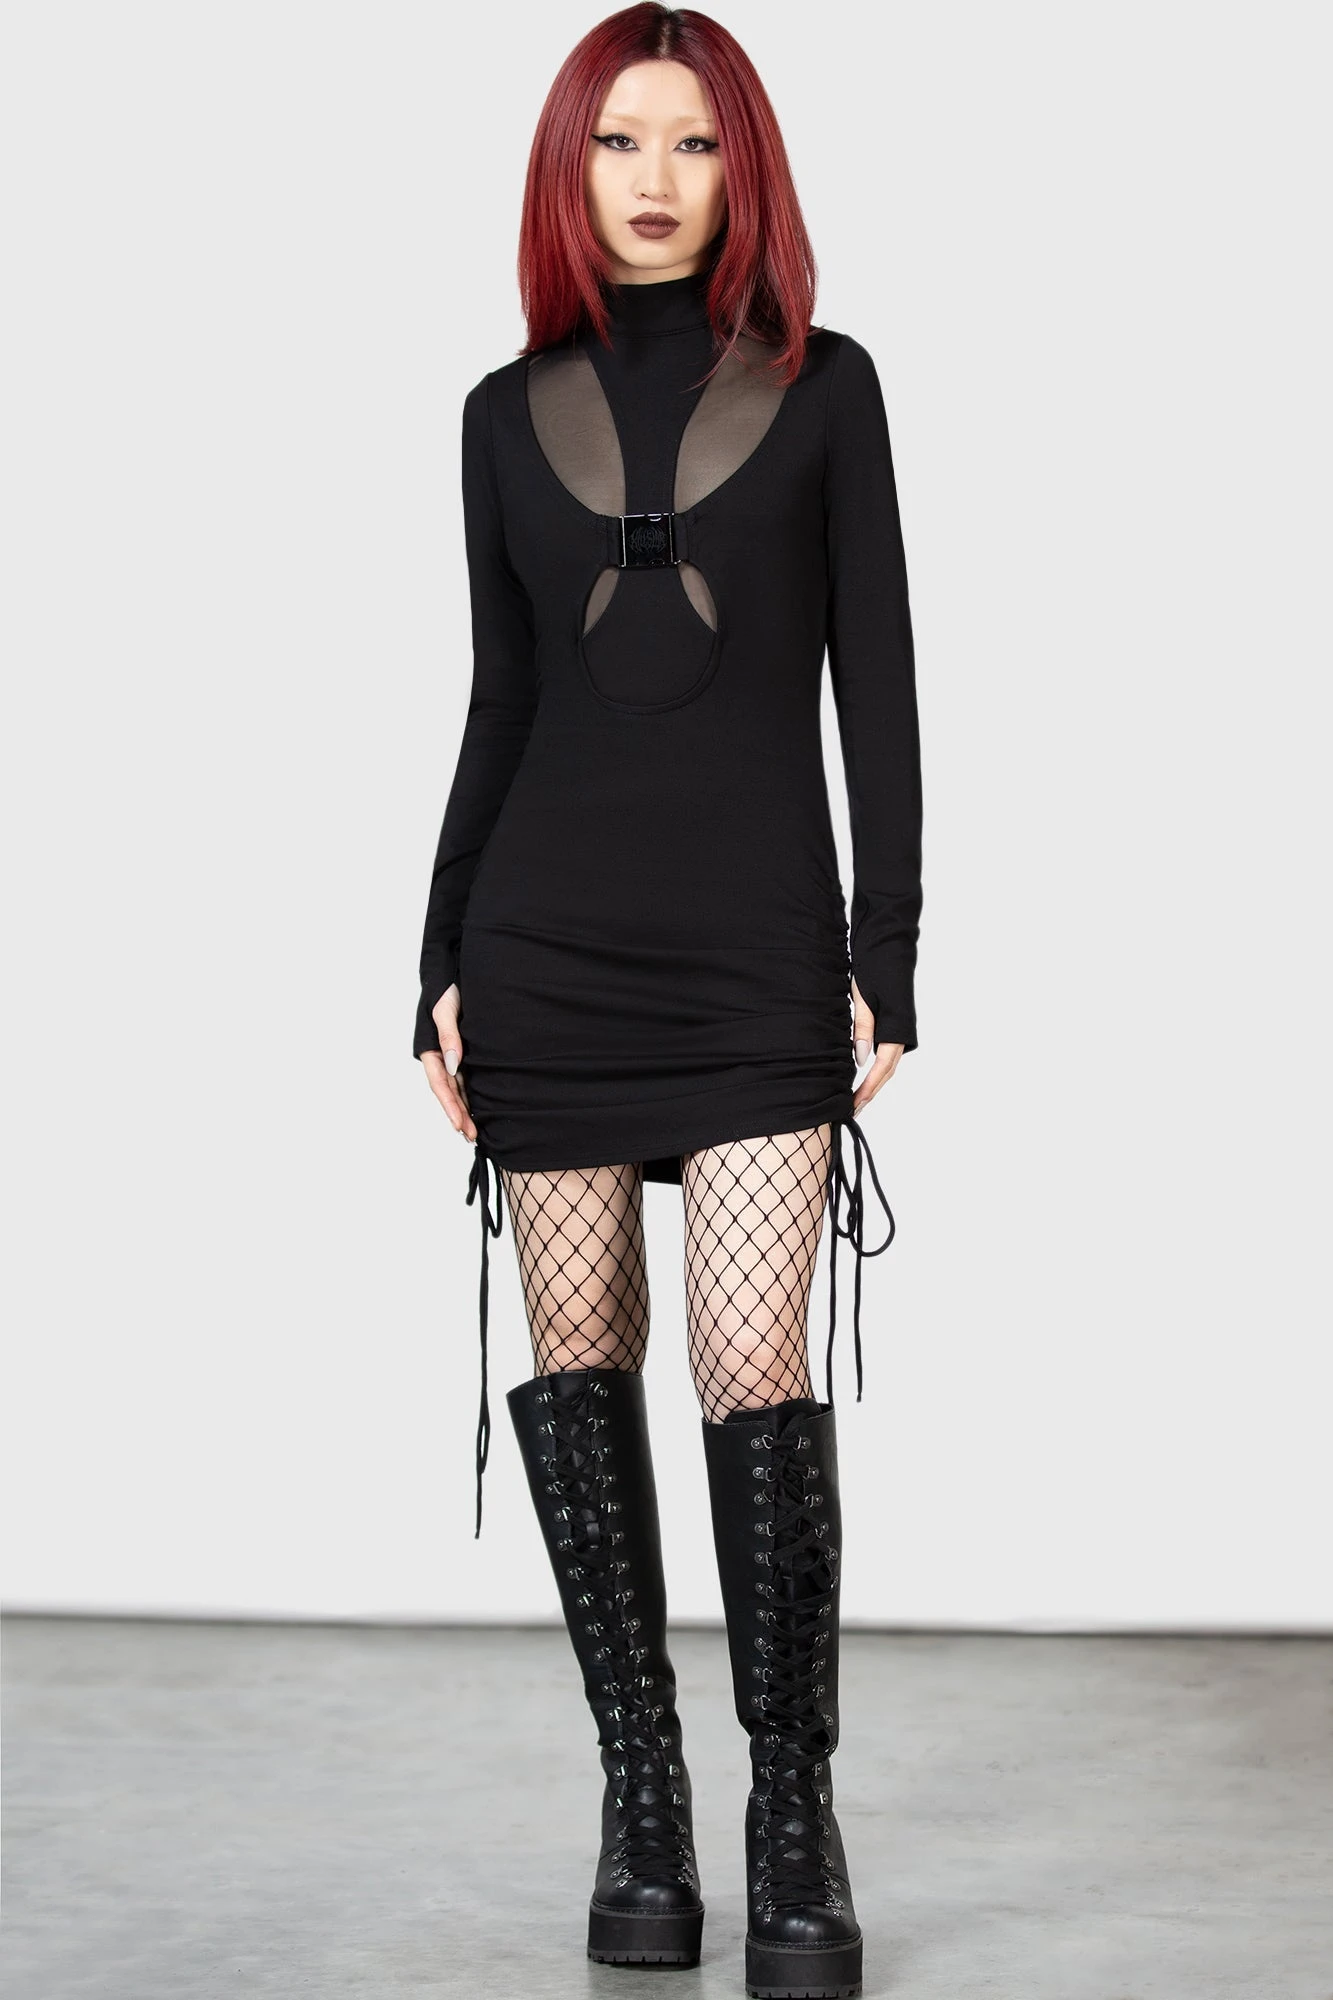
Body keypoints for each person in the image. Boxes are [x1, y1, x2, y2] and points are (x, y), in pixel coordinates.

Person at [411, 8, 921, 1995]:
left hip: (755, 945)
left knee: (752, 1364)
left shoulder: (826, 389)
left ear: (742, 172)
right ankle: (644, 1795)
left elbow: (879, 684)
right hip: (549, 945)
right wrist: (435, 962)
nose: (652, 177)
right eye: (617, 140)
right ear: (571, 167)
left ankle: (792, 1807)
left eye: (693, 144)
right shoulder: (495, 415)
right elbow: (501, 697)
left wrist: (889, 949)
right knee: (580, 1358)